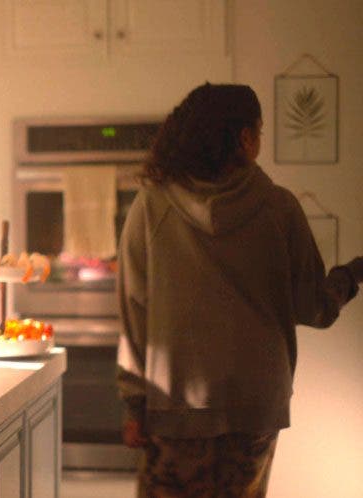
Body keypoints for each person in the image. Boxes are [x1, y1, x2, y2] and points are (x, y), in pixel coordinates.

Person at [116, 82, 363, 496]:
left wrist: (133, 404)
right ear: (245, 138)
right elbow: (314, 308)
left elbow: (133, 309)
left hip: (175, 405)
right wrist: (353, 274)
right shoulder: (279, 207)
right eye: (260, 131)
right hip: (256, 406)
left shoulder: (152, 205)